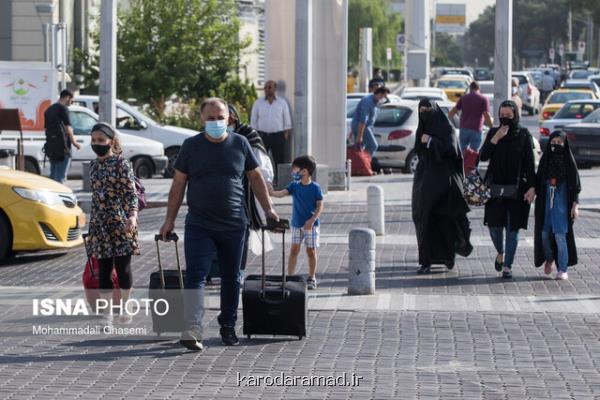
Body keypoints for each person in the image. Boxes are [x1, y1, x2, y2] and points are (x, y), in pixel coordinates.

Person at [159, 97, 278, 352]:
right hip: (199, 224)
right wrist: (169, 220)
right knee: (196, 275)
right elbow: (178, 185)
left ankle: (228, 327)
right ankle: (192, 328)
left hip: (235, 224)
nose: (215, 122)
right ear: (202, 120)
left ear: (229, 118)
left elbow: (256, 178)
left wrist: (269, 210)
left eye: (220, 117)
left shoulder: (240, 143)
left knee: (232, 278)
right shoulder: (191, 146)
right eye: (210, 118)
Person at [411, 100, 473, 274]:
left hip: (444, 184)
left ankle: (447, 257)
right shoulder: (421, 129)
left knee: (446, 220)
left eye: (427, 110)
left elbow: (452, 151)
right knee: (423, 218)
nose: (424, 114)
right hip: (424, 183)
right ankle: (426, 260)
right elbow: (418, 150)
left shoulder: (447, 129)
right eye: (421, 110)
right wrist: (424, 143)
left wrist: (432, 141)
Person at [87, 122, 138, 326]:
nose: (96, 144)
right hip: (99, 223)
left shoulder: (121, 164)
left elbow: (130, 192)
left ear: (111, 141)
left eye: (101, 140)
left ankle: (125, 306)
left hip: (121, 221)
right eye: (93, 140)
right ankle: (106, 314)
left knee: (123, 268)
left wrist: (132, 216)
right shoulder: (93, 165)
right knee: (104, 269)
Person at [479, 100, 536, 279]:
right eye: (501, 116)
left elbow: (529, 163)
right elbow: (483, 156)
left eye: (508, 116)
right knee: (494, 227)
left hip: (518, 188)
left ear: (515, 116)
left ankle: (507, 266)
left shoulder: (524, 135)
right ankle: (500, 252)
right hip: (495, 188)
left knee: (513, 230)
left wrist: (533, 187)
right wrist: (495, 139)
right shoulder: (494, 133)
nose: (505, 119)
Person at [228, 103, 274, 281]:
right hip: (220, 195)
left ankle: (238, 271)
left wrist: (266, 185)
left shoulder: (248, 136)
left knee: (241, 233)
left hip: (244, 193)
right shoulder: (210, 137)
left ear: (232, 116)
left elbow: (260, 166)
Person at [269, 155, 324, 289]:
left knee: (311, 251)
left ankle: (312, 278)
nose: (295, 172)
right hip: (296, 224)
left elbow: (320, 206)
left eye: (297, 169)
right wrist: (270, 192)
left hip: (311, 226)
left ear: (305, 171)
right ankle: (290, 277)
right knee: (294, 251)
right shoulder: (294, 186)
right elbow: (282, 193)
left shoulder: (315, 187)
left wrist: (312, 220)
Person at [534, 130, 581, 280]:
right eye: (553, 143)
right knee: (544, 235)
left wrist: (575, 205)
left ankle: (563, 268)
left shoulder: (569, 162)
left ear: (565, 144)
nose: (556, 146)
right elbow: (538, 180)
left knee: (561, 236)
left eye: (559, 143)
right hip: (546, 204)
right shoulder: (545, 161)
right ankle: (549, 258)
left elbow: (575, 186)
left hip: (562, 205)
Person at [250, 80, 292, 183]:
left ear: (275, 89)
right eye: (266, 87)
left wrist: (285, 134)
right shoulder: (258, 102)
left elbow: (286, 119)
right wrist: (255, 133)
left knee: (279, 159)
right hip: (262, 135)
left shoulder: (282, 103)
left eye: (269, 87)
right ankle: (261, 180)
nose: (267, 89)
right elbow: (253, 119)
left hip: (278, 135)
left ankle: (279, 180)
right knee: (261, 158)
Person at [43, 89, 81, 182]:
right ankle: (59, 195)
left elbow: (46, 128)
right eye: (72, 100)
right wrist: (74, 142)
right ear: (68, 97)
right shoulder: (63, 109)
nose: (71, 103)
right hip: (63, 148)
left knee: (53, 175)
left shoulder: (49, 109)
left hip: (51, 147)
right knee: (61, 177)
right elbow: (68, 128)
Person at [448, 81, 493, 152]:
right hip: (476, 128)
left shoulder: (463, 98)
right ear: (478, 88)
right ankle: (472, 163)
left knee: (462, 151)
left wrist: (448, 123)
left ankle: (463, 163)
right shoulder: (483, 99)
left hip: (464, 128)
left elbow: (452, 112)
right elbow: (486, 115)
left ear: (470, 88)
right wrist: (491, 127)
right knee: (474, 152)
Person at [350, 86, 390, 157]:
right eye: (384, 96)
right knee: (373, 145)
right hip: (361, 126)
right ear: (380, 94)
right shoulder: (368, 102)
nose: (385, 99)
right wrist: (360, 136)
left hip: (363, 127)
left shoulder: (376, 102)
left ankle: (360, 164)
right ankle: (365, 162)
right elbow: (363, 120)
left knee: (360, 148)